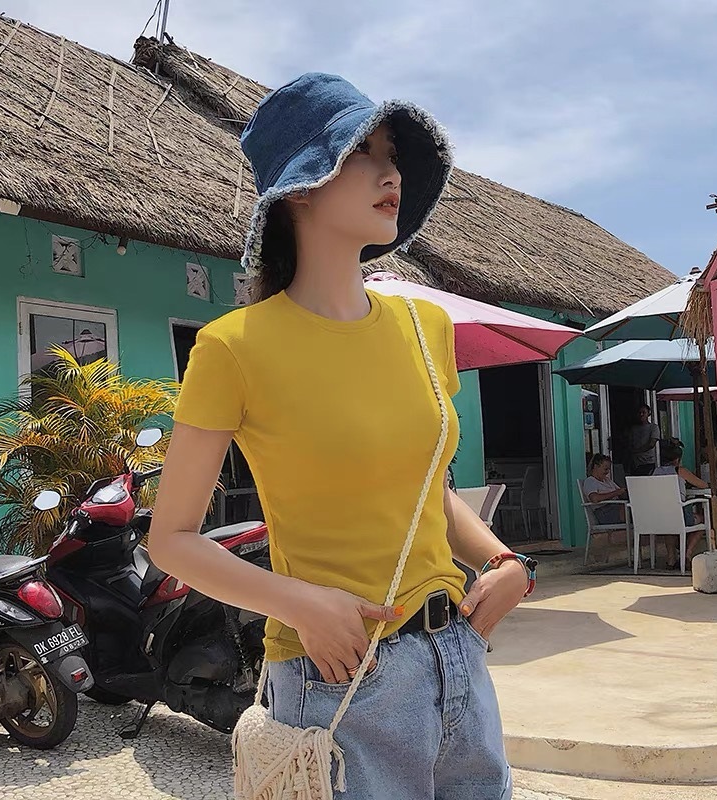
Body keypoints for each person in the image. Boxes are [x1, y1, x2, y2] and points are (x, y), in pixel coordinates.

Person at [148, 73, 527, 799]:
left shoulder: (426, 327)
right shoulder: (233, 347)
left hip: (457, 655)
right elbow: (171, 539)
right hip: (341, 673)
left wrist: (505, 561)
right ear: (299, 189)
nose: (391, 174)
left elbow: (426, 490)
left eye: (394, 155)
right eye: (361, 153)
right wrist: (296, 604)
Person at [653, 441, 709, 570]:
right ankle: (687, 554)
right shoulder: (680, 471)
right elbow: (703, 485)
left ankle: (671, 559)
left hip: (661, 517)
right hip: (679, 515)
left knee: (669, 525)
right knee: (703, 520)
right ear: (677, 459)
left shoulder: (655, 472)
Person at [583, 453, 626, 524]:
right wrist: (615, 493)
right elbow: (594, 498)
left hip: (616, 507)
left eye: (609, 469)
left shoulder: (607, 480)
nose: (607, 472)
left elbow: (620, 492)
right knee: (631, 511)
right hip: (604, 511)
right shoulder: (590, 481)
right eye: (605, 469)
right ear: (596, 466)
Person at [628, 404, 661, 476]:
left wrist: (636, 451)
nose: (641, 414)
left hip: (648, 462)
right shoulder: (634, 429)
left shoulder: (653, 427)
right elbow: (630, 443)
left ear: (649, 413)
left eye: (644, 412)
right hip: (635, 463)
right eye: (639, 412)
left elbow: (651, 444)